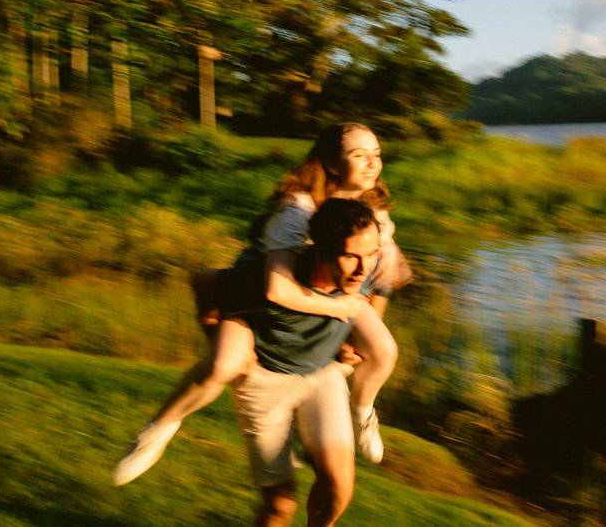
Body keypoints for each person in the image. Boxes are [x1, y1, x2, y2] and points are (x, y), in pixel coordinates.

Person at [114, 123, 409, 487]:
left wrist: (355, 335)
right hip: (251, 297)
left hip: (325, 301)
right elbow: (276, 289)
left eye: (376, 154)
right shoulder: (299, 208)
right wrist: (342, 311)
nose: (372, 164)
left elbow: (381, 283)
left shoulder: (374, 215)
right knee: (224, 366)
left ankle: (362, 410)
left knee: (383, 351)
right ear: (332, 163)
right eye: (359, 155)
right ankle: (158, 429)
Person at [233, 198, 383, 526]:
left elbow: (374, 295)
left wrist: (351, 341)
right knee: (280, 506)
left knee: (339, 489)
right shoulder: (275, 276)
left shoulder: (364, 271)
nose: (363, 267)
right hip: (265, 381)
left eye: (370, 254)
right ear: (321, 253)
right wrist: (231, 346)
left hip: (321, 377)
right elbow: (208, 287)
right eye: (350, 257)